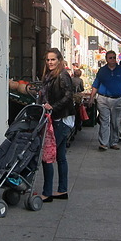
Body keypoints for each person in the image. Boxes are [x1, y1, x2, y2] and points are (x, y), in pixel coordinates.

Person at [38, 48, 75, 202]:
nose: (50, 62)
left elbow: (68, 95)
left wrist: (53, 106)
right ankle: (62, 190)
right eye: (48, 60)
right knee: (60, 156)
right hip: (58, 118)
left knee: (47, 155)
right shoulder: (49, 76)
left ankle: (47, 193)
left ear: (59, 60)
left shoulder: (62, 75)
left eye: (53, 59)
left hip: (62, 119)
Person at [89, 51, 121, 151]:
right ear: (106, 59)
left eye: (114, 57)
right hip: (103, 99)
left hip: (118, 99)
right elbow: (96, 85)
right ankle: (103, 143)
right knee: (104, 121)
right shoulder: (102, 71)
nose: (112, 60)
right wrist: (92, 97)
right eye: (110, 58)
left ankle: (113, 142)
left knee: (116, 122)